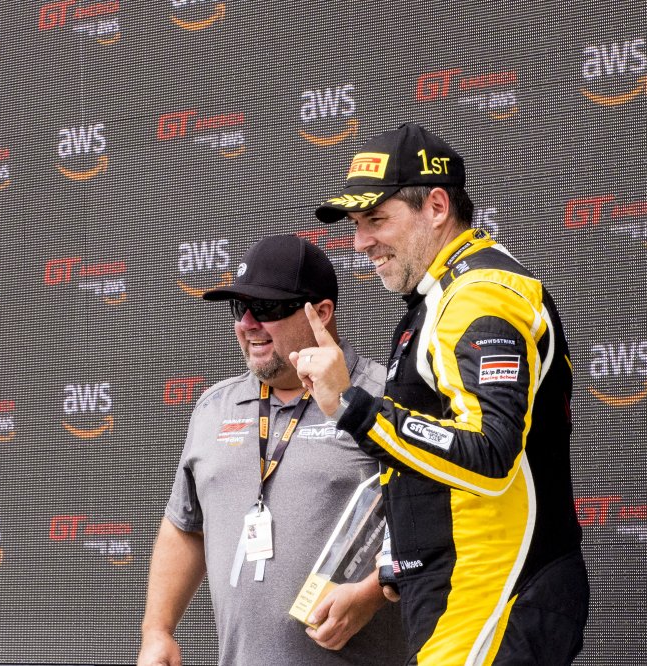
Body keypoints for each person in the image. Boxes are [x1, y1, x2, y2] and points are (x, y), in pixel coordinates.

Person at [292, 123, 589, 665]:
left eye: (377, 220)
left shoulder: (479, 297)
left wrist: (353, 407)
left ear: (435, 206)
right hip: (469, 591)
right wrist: (391, 571)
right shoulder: (441, 296)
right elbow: (427, 473)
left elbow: (490, 454)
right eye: (356, 225)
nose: (360, 243)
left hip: (497, 587)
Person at [138, 235, 406, 666]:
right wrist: (158, 630)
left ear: (321, 313)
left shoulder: (383, 399)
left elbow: (439, 522)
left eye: (266, 308)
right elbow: (186, 527)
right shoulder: (214, 407)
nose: (248, 323)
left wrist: (373, 593)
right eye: (239, 308)